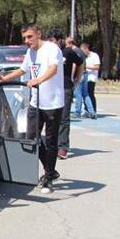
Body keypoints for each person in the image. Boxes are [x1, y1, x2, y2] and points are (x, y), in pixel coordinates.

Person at [0, 24, 64, 194]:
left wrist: (38, 80)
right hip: (35, 102)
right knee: (31, 137)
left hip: (53, 103)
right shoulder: (30, 52)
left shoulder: (52, 48)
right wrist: (3, 79)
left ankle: (48, 177)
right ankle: (50, 170)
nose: (27, 41)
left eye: (30, 37)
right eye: (25, 38)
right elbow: (21, 70)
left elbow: (53, 69)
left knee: (51, 140)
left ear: (38, 34)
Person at [48, 30, 83, 160]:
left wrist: (77, 79)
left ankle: (62, 147)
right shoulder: (47, 52)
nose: (52, 43)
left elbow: (80, 63)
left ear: (59, 40)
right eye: (50, 40)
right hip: (50, 88)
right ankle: (51, 145)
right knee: (51, 118)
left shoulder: (67, 52)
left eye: (53, 40)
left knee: (63, 118)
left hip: (65, 87)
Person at [80, 42, 100, 118]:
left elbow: (97, 67)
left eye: (83, 50)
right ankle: (86, 110)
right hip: (84, 78)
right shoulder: (84, 57)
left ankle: (93, 110)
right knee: (84, 94)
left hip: (91, 78)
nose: (82, 52)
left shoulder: (95, 56)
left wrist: (87, 67)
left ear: (86, 48)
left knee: (90, 94)